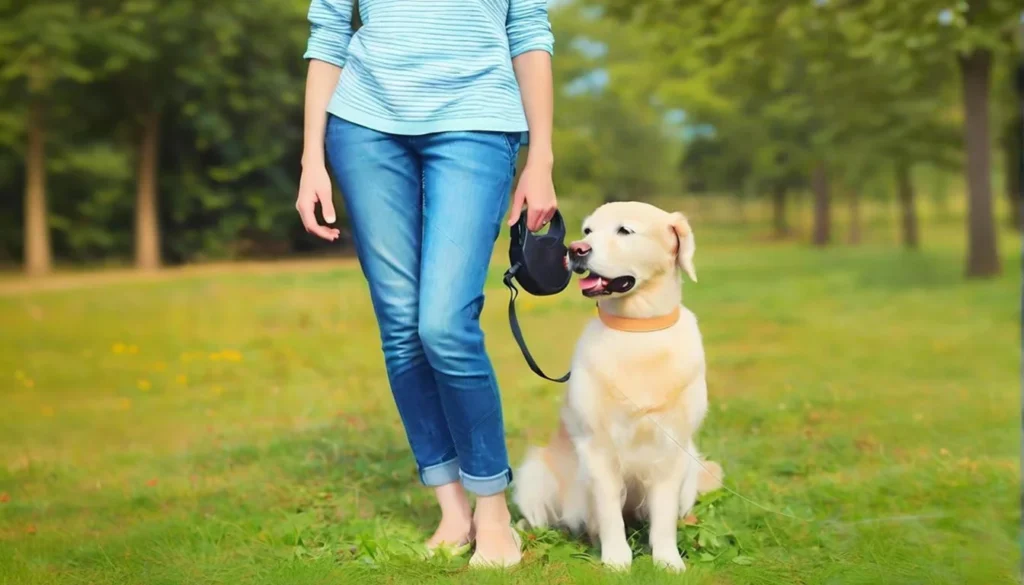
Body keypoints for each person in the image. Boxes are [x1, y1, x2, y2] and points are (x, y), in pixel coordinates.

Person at [295, 0, 557, 568]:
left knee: (444, 323)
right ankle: (452, 508)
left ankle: (493, 512)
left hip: (478, 122)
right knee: (401, 325)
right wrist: (311, 157)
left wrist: (542, 159)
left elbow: (529, 29)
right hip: (364, 127)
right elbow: (329, 33)